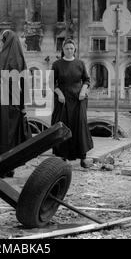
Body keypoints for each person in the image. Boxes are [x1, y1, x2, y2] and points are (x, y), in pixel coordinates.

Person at [0, 30, 31, 176]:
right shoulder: (20, 58)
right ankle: (9, 167)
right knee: (10, 136)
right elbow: (25, 84)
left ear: (4, 41)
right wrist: (23, 107)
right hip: (14, 103)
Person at [51, 39, 93, 168]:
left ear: (74, 49)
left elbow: (86, 80)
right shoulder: (57, 64)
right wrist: (59, 94)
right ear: (63, 49)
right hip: (63, 99)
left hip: (78, 99)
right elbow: (51, 82)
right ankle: (63, 157)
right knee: (63, 126)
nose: (69, 50)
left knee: (80, 125)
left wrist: (83, 91)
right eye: (67, 48)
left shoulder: (80, 63)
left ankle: (83, 157)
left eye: (71, 48)